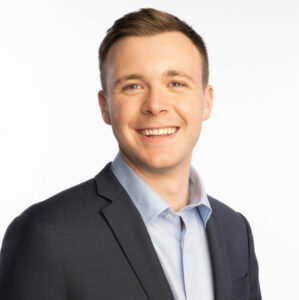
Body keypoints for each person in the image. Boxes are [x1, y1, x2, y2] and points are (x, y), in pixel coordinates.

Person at [0, 8, 262, 300]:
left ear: (206, 101)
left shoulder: (235, 231)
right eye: (133, 86)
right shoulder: (45, 235)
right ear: (105, 106)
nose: (156, 105)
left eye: (176, 83)